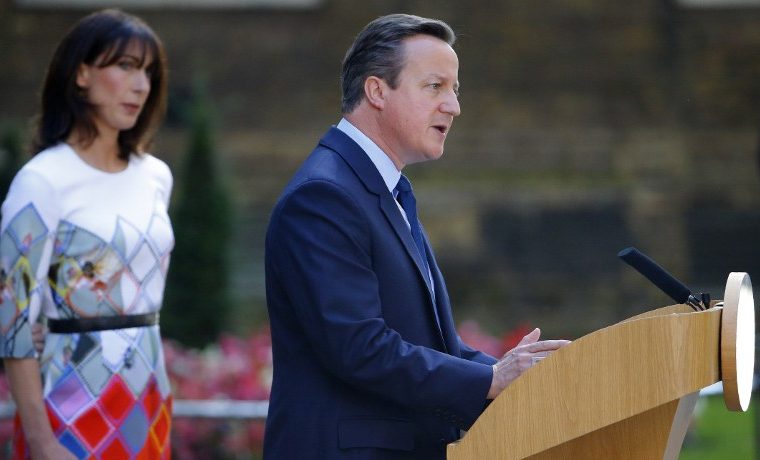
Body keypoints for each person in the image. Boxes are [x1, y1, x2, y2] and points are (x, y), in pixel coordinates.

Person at [264, 13, 570, 459]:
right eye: (435, 87)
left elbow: (426, 343)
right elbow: (359, 348)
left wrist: (512, 373)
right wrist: (490, 380)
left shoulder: (383, 187)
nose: (453, 106)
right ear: (376, 91)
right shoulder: (324, 196)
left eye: (455, 89)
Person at [0, 9, 173, 459]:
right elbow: (11, 321)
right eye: (126, 66)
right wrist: (40, 441)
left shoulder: (156, 176)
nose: (141, 85)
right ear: (81, 73)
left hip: (149, 397)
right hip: (68, 399)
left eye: (149, 72)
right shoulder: (41, 181)